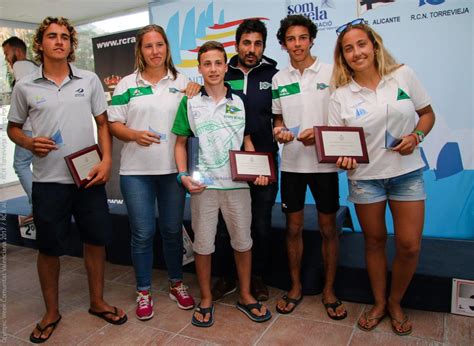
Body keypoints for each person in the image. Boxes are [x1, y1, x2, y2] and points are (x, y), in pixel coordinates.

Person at [7, 17, 127, 344]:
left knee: (96, 241)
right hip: (48, 183)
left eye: (64, 37)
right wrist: (28, 142)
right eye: (52, 36)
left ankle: (97, 301)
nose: (59, 41)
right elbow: (13, 128)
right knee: (48, 249)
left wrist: (106, 161)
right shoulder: (25, 86)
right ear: (40, 44)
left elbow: (103, 123)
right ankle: (51, 312)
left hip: (88, 178)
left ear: (71, 44)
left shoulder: (88, 80)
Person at [328, 19, 435, 335]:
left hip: (407, 174)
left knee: (409, 246)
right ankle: (378, 303)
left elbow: (427, 114)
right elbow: (337, 146)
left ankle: (395, 301)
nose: (356, 52)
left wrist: (416, 136)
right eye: (348, 48)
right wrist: (342, 158)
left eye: (361, 44)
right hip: (365, 179)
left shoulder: (403, 75)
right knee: (373, 243)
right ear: (343, 56)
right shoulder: (340, 96)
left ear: (374, 46)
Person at [172, 41, 271, 327]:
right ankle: (205, 298)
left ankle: (246, 295)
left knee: (243, 242)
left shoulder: (240, 101)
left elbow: (248, 142)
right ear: (199, 68)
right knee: (203, 245)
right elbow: (180, 144)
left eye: (218, 63)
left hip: (237, 186)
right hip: (203, 187)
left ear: (225, 67)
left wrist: (257, 171)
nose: (213, 69)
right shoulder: (189, 102)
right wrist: (183, 175)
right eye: (207, 64)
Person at [108, 24, 198, 321]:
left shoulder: (183, 81)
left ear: (167, 48)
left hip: (173, 171)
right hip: (136, 172)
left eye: (160, 45)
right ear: (140, 51)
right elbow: (113, 124)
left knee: (172, 231)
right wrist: (133, 135)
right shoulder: (125, 84)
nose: (155, 51)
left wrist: (196, 93)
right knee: (143, 233)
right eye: (149, 46)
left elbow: (196, 121)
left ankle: (176, 283)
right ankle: (144, 290)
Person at [272, 14, 347, 320]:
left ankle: (329, 290)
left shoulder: (332, 72)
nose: (297, 44)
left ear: (312, 39)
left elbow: (341, 118)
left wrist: (318, 134)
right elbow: (277, 118)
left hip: (325, 165)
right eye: (291, 39)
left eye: (303, 38)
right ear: (283, 43)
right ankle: (295, 287)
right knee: (293, 228)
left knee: (329, 230)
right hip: (291, 165)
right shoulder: (280, 79)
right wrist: (279, 131)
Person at [211, 18, 279, 302]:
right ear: (236, 45)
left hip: (264, 159)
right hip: (227, 160)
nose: (252, 49)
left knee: (260, 224)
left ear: (264, 45)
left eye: (258, 43)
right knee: (227, 225)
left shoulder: (275, 75)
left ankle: (257, 277)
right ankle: (226, 276)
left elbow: (280, 114)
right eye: (246, 43)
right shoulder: (222, 72)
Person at [2, 36, 37, 223]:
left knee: (21, 164)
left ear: (17, 51)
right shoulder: (33, 66)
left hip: (29, 127)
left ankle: (37, 202)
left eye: (7, 53)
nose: (7, 58)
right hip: (39, 124)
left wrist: (18, 123)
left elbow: (24, 96)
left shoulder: (20, 66)